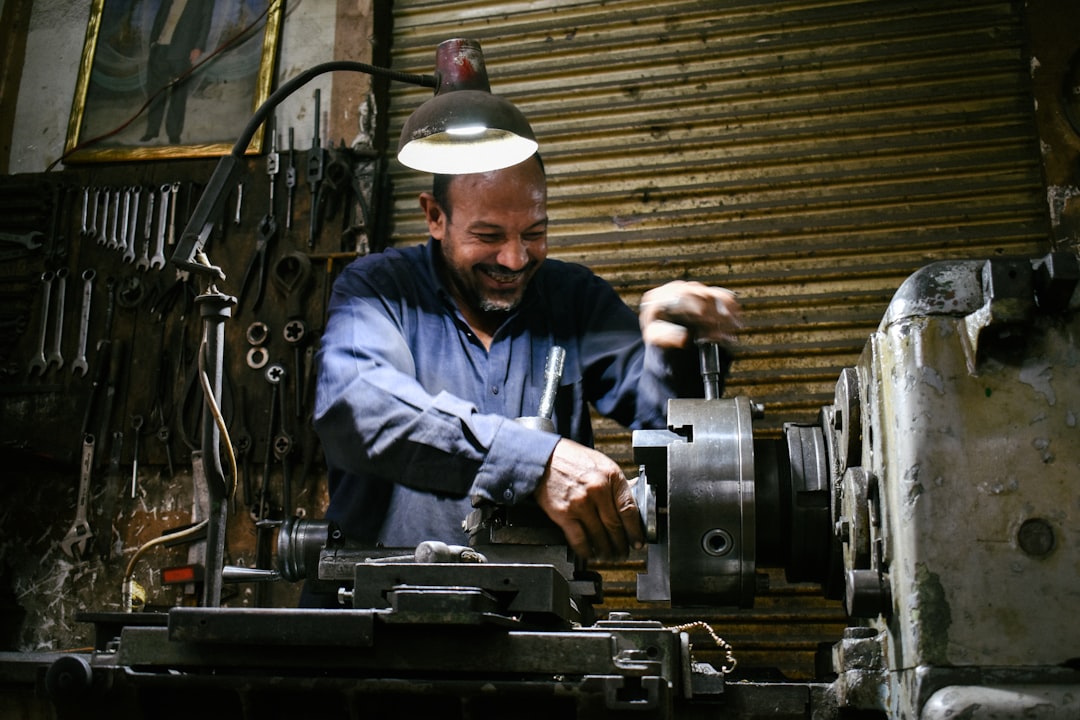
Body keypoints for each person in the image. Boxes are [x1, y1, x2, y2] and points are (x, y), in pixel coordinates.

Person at [313, 154, 740, 565]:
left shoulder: (574, 299)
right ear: (435, 217)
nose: (515, 259)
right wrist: (536, 461)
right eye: (488, 235)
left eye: (534, 233)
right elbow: (359, 408)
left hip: (535, 613)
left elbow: (661, 422)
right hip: (377, 611)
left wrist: (682, 351)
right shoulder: (378, 290)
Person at [140, 0, 214, 144]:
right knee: (155, 92)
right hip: (160, 49)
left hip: (182, 50)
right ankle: (152, 131)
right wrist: (153, 42)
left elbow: (206, 21)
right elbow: (161, 16)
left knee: (178, 94)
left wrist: (198, 47)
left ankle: (174, 133)